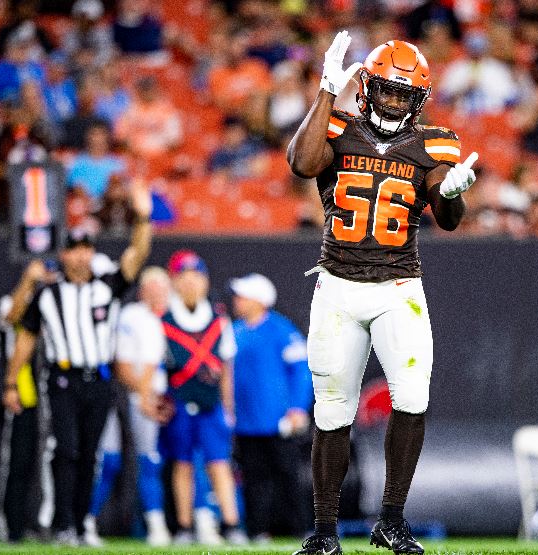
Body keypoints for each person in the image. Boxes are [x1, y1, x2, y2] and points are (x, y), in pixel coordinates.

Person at [287, 31, 479, 555]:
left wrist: (455, 196)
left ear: (418, 98)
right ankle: (325, 532)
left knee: (413, 398)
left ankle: (391, 519)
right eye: (388, 90)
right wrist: (327, 89)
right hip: (337, 286)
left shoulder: (434, 142)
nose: (395, 101)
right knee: (332, 410)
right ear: (368, 87)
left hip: (398, 287)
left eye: (404, 93)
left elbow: (448, 219)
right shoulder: (336, 126)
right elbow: (302, 164)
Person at [2, 181, 152, 545]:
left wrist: (143, 217)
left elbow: (136, 255)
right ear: (64, 255)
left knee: (90, 453)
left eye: (86, 249)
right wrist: (10, 382)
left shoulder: (108, 285)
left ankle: (82, 522)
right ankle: (63, 522)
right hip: (62, 380)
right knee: (65, 449)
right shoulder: (48, 294)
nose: (81, 256)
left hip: (99, 380)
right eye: (74, 250)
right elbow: (22, 332)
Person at [161, 250, 244, 545]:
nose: (192, 283)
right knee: (181, 464)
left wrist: (228, 408)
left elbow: (226, 368)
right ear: (174, 281)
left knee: (219, 463)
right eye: (185, 277)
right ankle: (184, 526)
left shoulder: (218, 319)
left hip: (211, 404)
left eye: (198, 276)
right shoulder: (164, 319)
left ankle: (231, 524)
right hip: (179, 402)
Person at [229, 273, 312, 540]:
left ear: (259, 300)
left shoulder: (282, 329)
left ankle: (300, 529)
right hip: (245, 422)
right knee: (252, 478)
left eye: (243, 296)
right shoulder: (235, 331)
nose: (237, 300)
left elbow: (302, 371)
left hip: (278, 421)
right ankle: (256, 531)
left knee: (287, 475)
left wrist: (298, 408)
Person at [100, 266, 173, 546]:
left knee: (179, 462)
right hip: (135, 395)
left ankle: (185, 524)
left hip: (170, 397)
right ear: (142, 290)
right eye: (152, 287)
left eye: (162, 286)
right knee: (122, 459)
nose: (158, 293)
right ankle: (87, 521)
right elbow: (124, 364)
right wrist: (144, 395)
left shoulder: (177, 313)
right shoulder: (133, 316)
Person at [0, 259, 56, 542]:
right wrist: (28, 284)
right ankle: (11, 525)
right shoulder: (14, 299)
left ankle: (44, 523)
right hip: (22, 385)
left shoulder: (58, 301)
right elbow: (11, 318)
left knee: (49, 461)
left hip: (52, 385)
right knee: (19, 458)